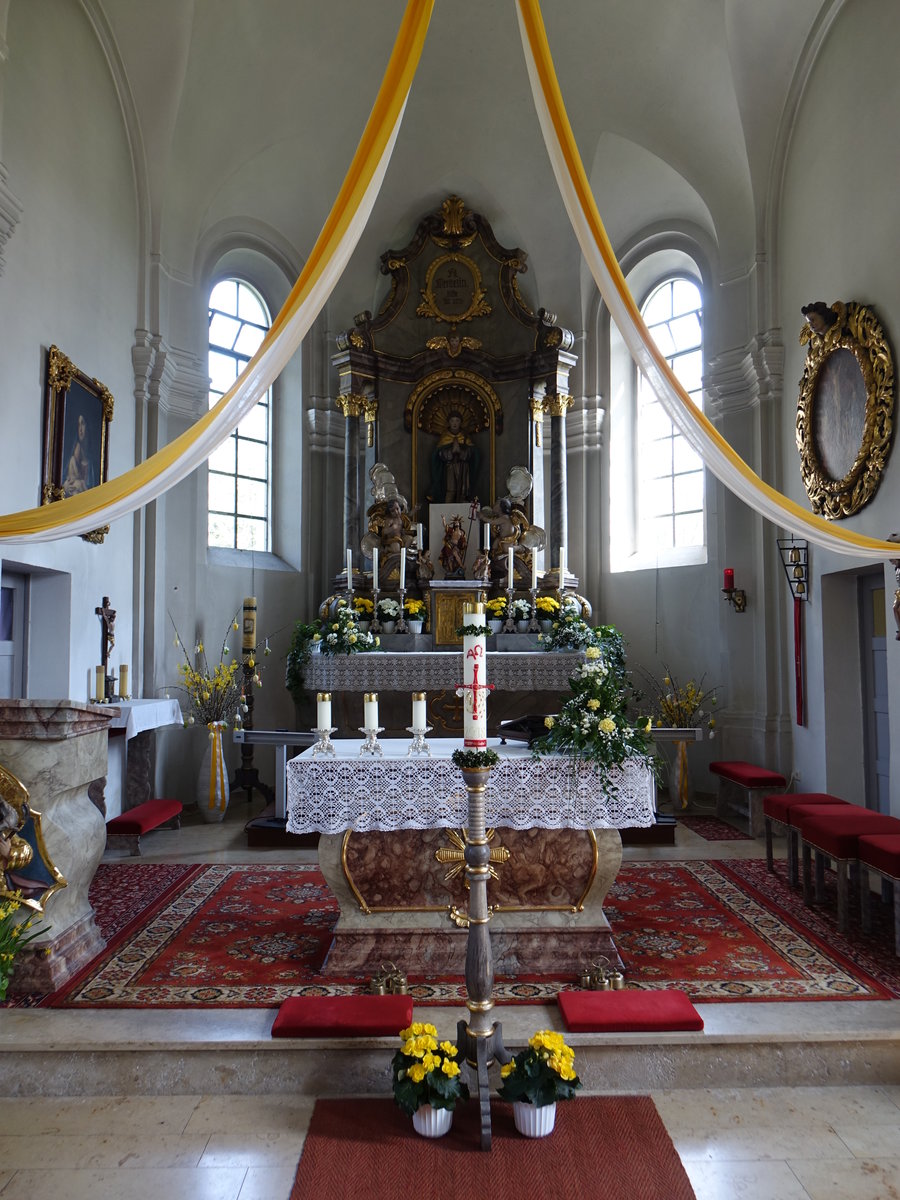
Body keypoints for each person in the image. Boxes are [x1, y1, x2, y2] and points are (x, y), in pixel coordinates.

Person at [431, 411, 478, 503]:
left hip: (463, 467)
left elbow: (473, 452)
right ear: (449, 422)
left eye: (457, 421)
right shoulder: (445, 436)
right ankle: (446, 510)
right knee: (451, 490)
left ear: (460, 422)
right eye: (452, 421)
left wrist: (461, 452)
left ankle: (462, 502)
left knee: (462, 490)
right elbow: (438, 454)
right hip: (450, 467)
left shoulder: (464, 436)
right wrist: (451, 452)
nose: (455, 423)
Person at [62, 413, 94, 496]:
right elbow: (62, 480)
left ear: (88, 427)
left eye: (82, 424)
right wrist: (65, 486)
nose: (80, 429)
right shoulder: (72, 457)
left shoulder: (92, 463)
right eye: (78, 425)